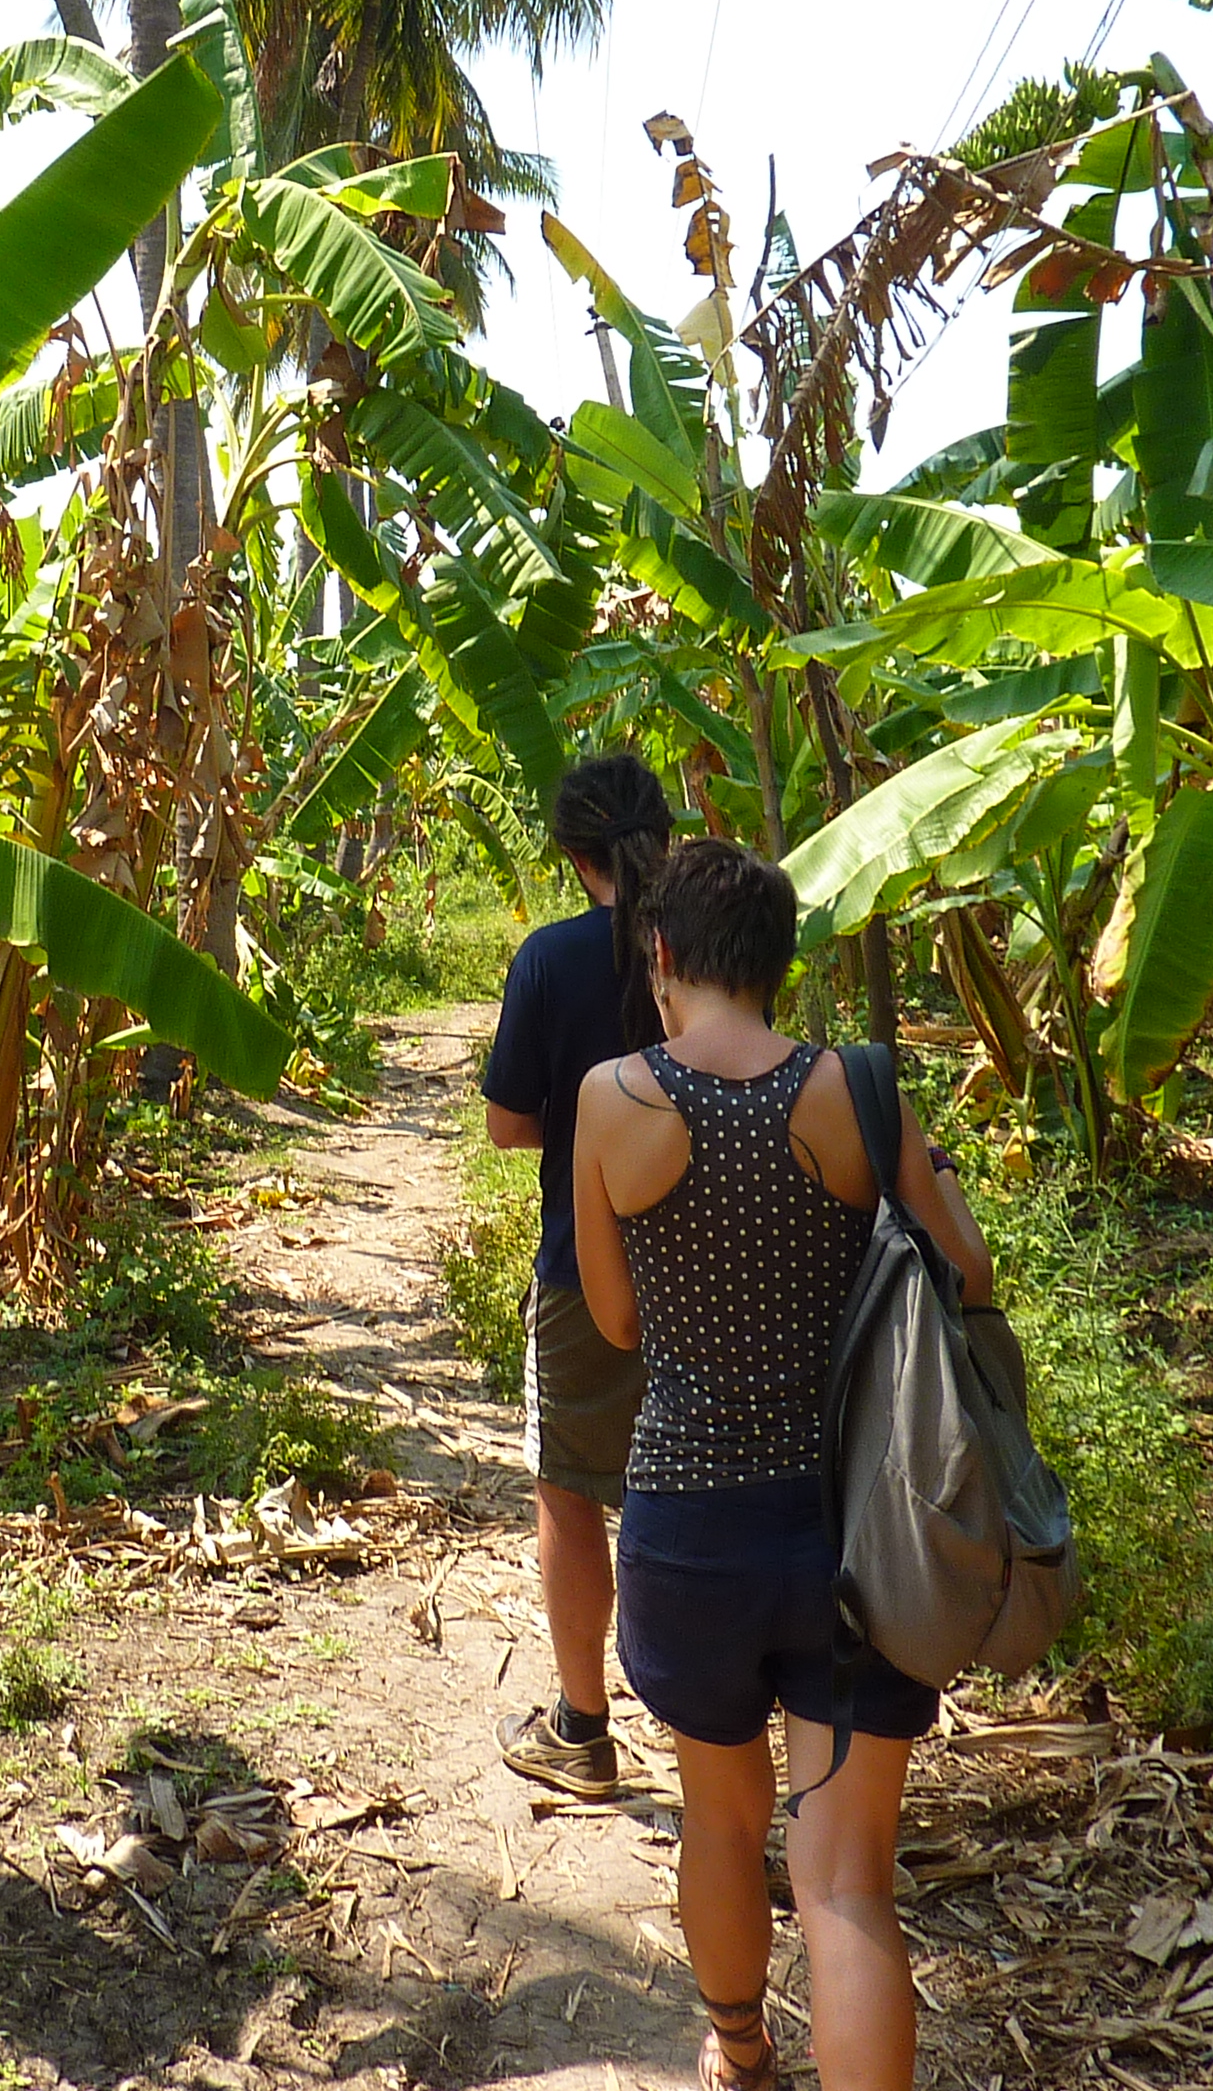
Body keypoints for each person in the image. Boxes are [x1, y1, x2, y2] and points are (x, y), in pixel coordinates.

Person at [571, 839, 993, 2091]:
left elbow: (616, 1322)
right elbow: (966, 1274)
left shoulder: (612, 1097)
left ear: (661, 955)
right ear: (780, 961)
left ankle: (742, 2050)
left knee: (719, 1821)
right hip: (854, 1531)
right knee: (848, 1881)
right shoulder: (857, 1088)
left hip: (691, 1527)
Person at [478, 753, 673, 1791]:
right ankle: (716, 1735)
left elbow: (509, 1124)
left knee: (569, 1490)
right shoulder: (708, 947)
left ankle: (583, 1727)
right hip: (715, 1266)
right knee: (699, 1487)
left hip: (585, 1265)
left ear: (572, 856)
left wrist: (586, 1122)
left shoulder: (550, 960)